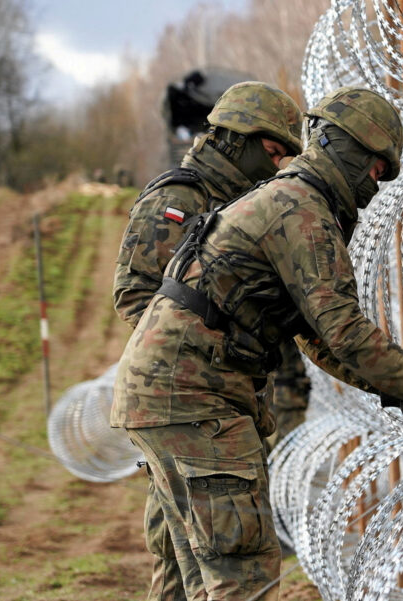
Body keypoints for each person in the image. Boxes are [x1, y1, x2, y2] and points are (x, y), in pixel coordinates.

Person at [111, 86, 403, 600]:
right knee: (242, 573)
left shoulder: (287, 199)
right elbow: (344, 330)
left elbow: (321, 342)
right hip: (198, 403)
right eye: (376, 167)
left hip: (169, 400)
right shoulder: (304, 212)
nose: (376, 182)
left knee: (194, 582)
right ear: (347, 150)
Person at [112, 80, 303, 601]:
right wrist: (205, 354)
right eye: (272, 152)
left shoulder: (243, 202)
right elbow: (135, 298)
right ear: (235, 139)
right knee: (184, 558)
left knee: (204, 558)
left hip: (223, 404)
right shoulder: (180, 197)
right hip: (185, 406)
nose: (278, 165)